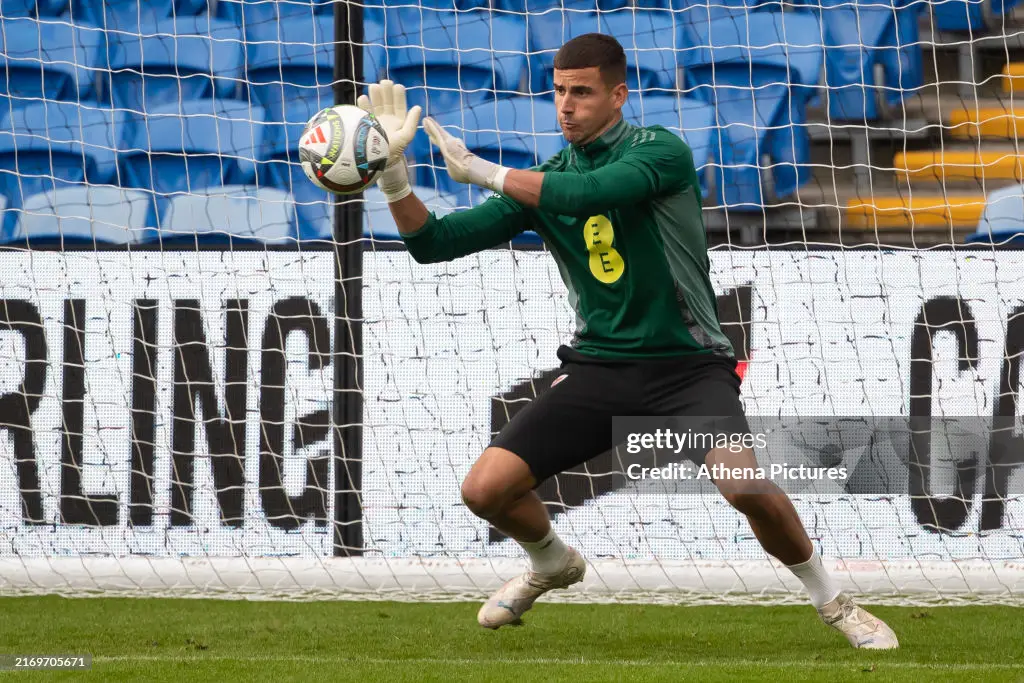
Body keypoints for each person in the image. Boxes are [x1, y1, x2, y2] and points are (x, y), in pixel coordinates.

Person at [358, 33, 898, 649]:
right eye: (559, 91)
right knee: (485, 490)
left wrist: (483, 170)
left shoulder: (660, 152)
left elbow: (589, 195)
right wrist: (394, 179)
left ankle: (832, 599)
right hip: (599, 370)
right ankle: (551, 562)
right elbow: (433, 246)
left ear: (618, 95)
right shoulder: (545, 179)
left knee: (745, 486)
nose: (566, 105)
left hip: (687, 370)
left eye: (582, 92)